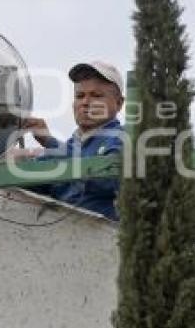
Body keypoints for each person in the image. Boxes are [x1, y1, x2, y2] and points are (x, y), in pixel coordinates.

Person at [22, 61, 125, 221]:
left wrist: (50, 142)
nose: (85, 102)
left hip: (102, 239)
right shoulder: (70, 146)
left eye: (96, 95)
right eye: (80, 96)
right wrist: (8, 157)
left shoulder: (123, 139)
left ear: (118, 103)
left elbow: (107, 181)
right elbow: (31, 182)